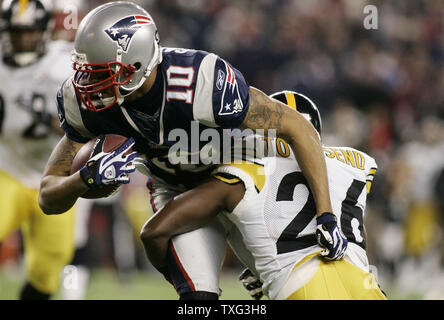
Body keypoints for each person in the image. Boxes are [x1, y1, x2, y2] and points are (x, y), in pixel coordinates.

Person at [38, 2, 345, 300]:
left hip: (239, 180)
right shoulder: (84, 104)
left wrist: (327, 215)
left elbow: (297, 126)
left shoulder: (201, 80)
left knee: (305, 287)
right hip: (175, 190)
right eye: (86, 71)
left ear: (135, 65)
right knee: (197, 297)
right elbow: (48, 195)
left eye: (100, 72)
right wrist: (85, 180)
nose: (87, 84)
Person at [140, 90, 387, 300]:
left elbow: (154, 232)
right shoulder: (353, 162)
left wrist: (174, 274)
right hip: (365, 283)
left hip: (303, 289)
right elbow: (355, 233)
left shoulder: (244, 172)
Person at [0, 0, 75, 299]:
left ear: (44, 32)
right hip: (8, 168)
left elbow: (87, 123)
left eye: (30, 31)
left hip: (55, 174)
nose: (24, 39)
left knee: (49, 266)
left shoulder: (65, 65)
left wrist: (53, 119)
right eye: (17, 32)